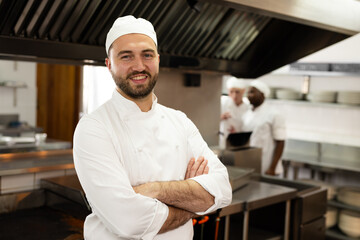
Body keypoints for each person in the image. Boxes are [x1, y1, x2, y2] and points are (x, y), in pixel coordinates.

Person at [73, 15, 232, 240]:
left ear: (158, 59)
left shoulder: (180, 121)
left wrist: (154, 190)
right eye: (126, 56)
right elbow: (127, 221)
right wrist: (192, 203)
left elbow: (222, 190)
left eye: (147, 55)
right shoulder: (94, 128)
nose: (139, 66)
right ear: (109, 65)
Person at [242, 80, 286, 176]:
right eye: (248, 92)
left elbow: (280, 142)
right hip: (251, 165)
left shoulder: (274, 114)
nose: (248, 95)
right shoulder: (248, 113)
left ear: (262, 94)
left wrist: (272, 168)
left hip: (268, 167)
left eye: (252, 92)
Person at [219, 77, 250, 148]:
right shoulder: (223, 102)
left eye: (237, 92)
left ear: (243, 91)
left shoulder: (247, 107)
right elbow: (209, 120)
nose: (234, 95)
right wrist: (221, 117)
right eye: (231, 92)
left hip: (239, 142)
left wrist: (237, 133)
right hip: (222, 139)